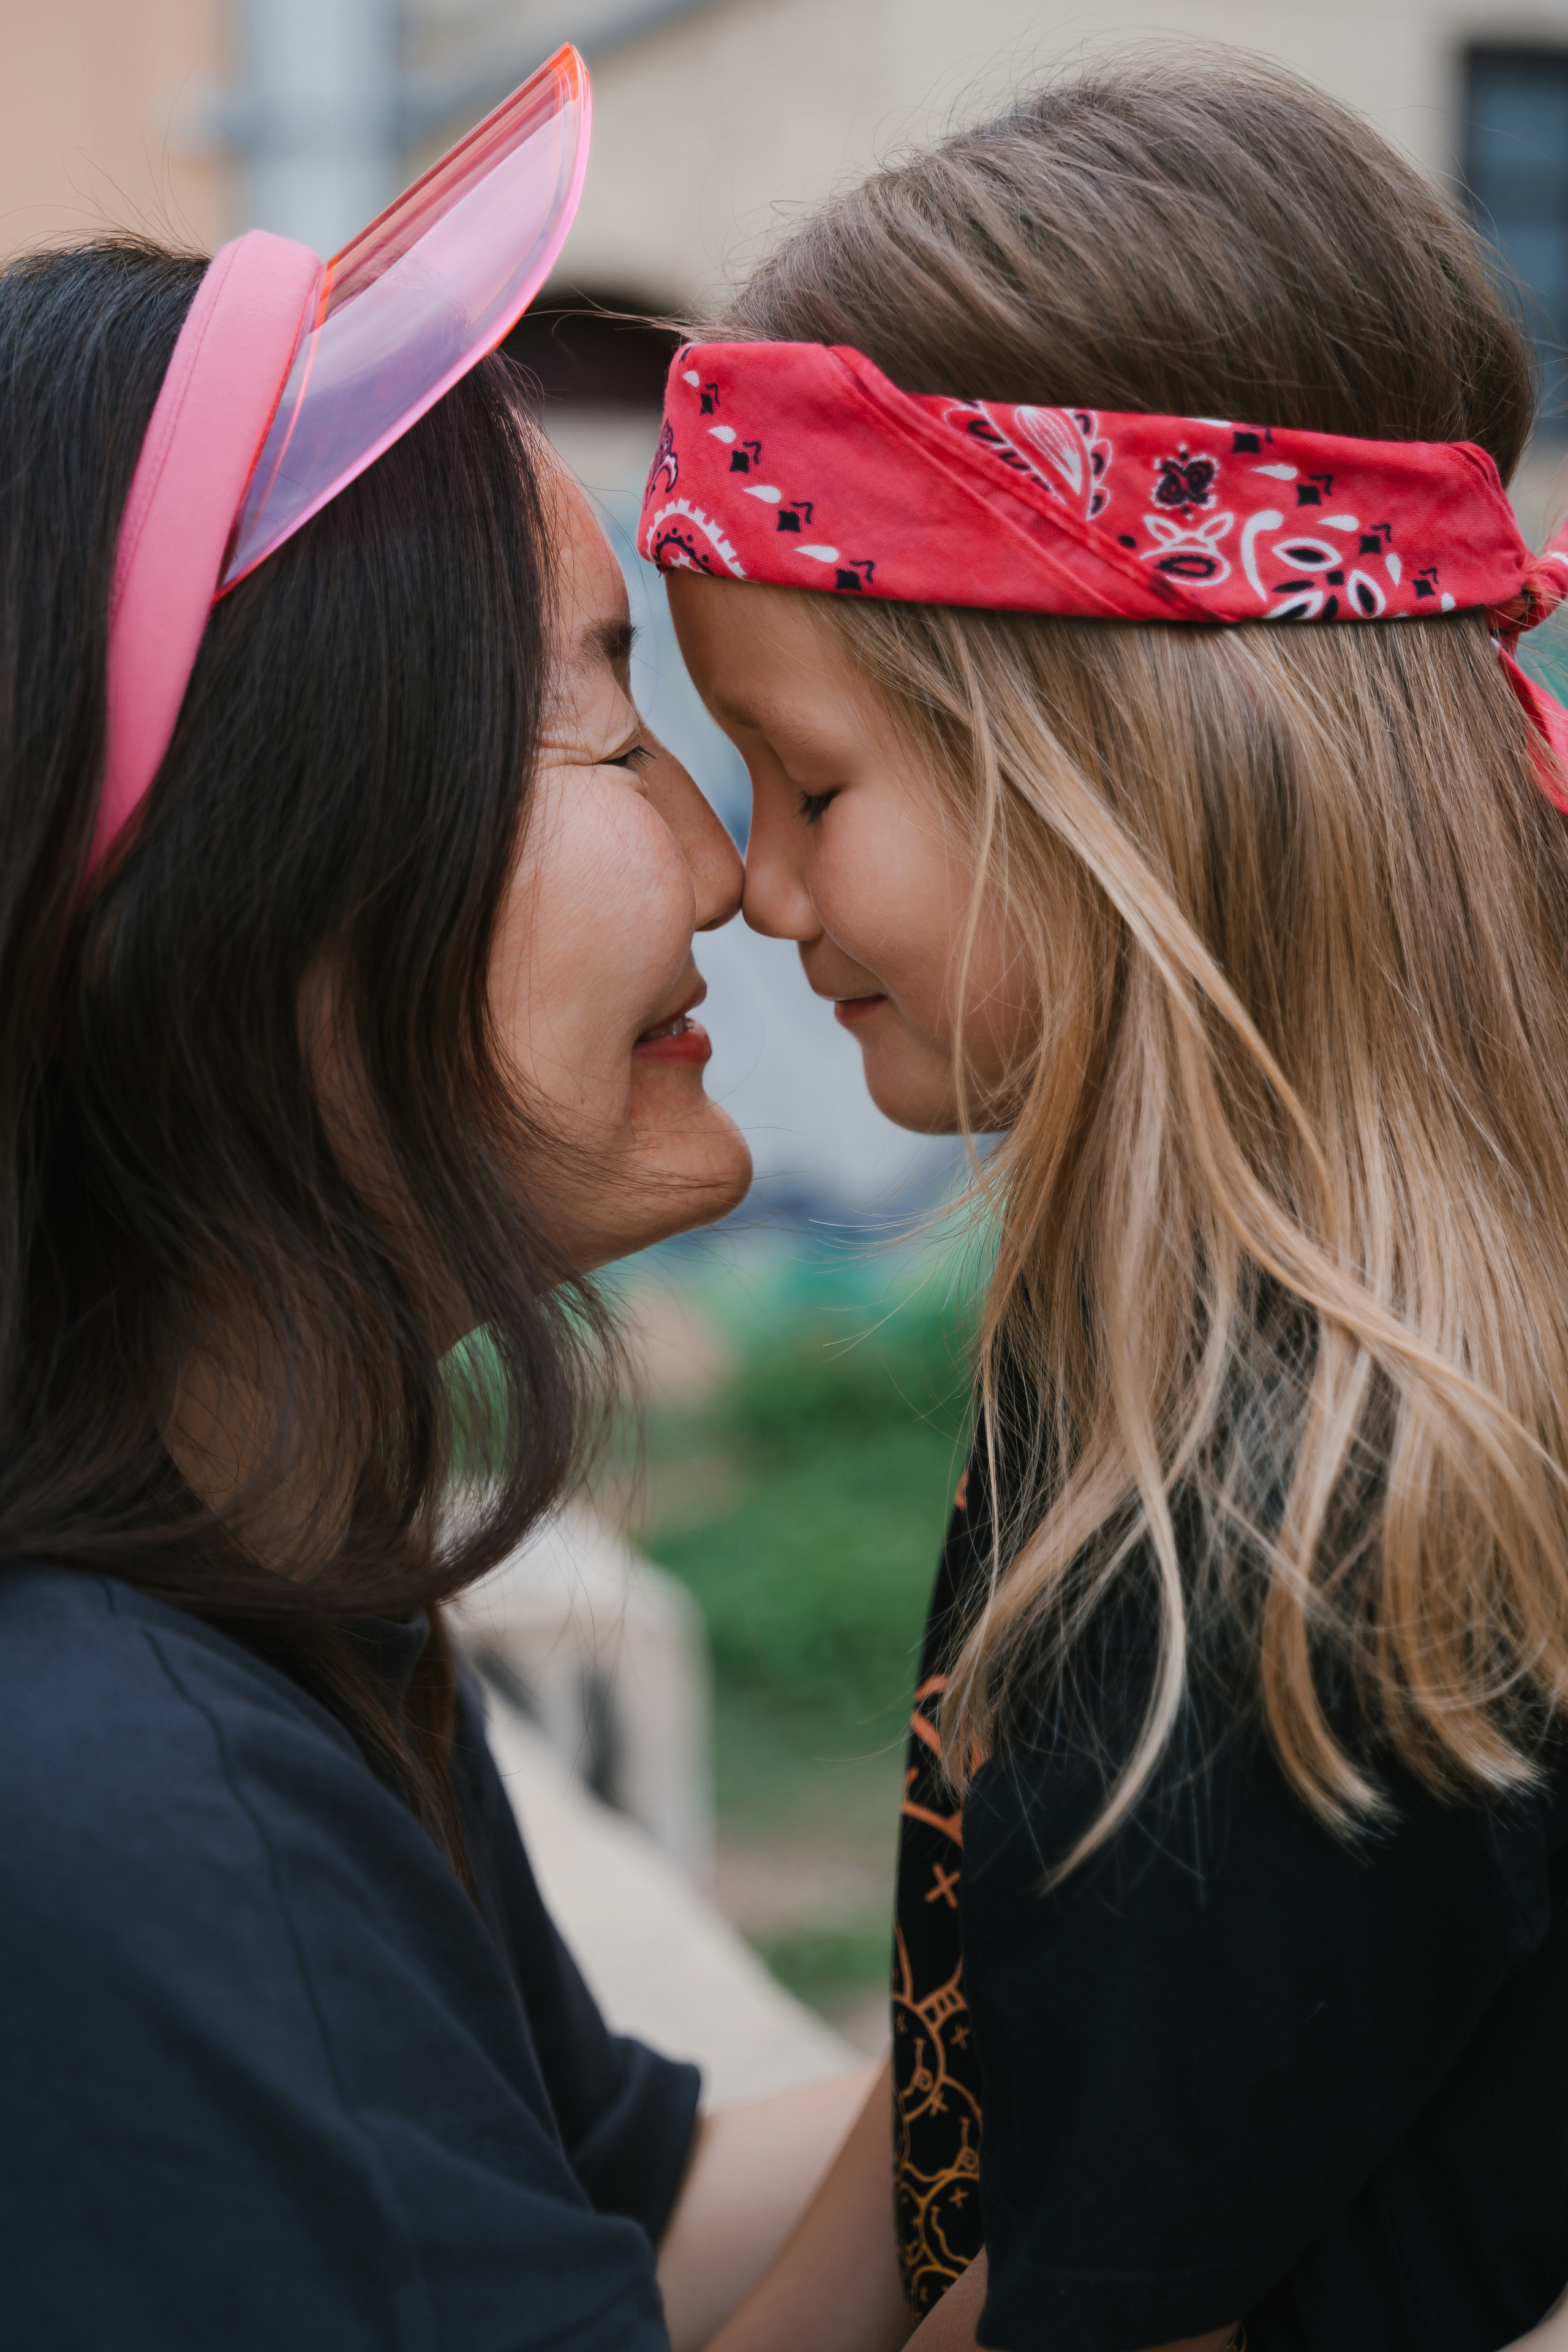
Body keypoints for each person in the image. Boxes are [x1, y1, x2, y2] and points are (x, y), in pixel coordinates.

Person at [646, 51, 1568, 2352]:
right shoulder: (1143, 1348)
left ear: (1121, 770)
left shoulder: (1309, 1525)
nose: (757, 891)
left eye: (812, 777)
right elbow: (979, 2079)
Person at [0, 71, 870, 2350]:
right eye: (599, 712)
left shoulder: (268, 1563)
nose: (726, 869)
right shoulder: (124, 1824)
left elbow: (633, 2211)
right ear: (241, 886)